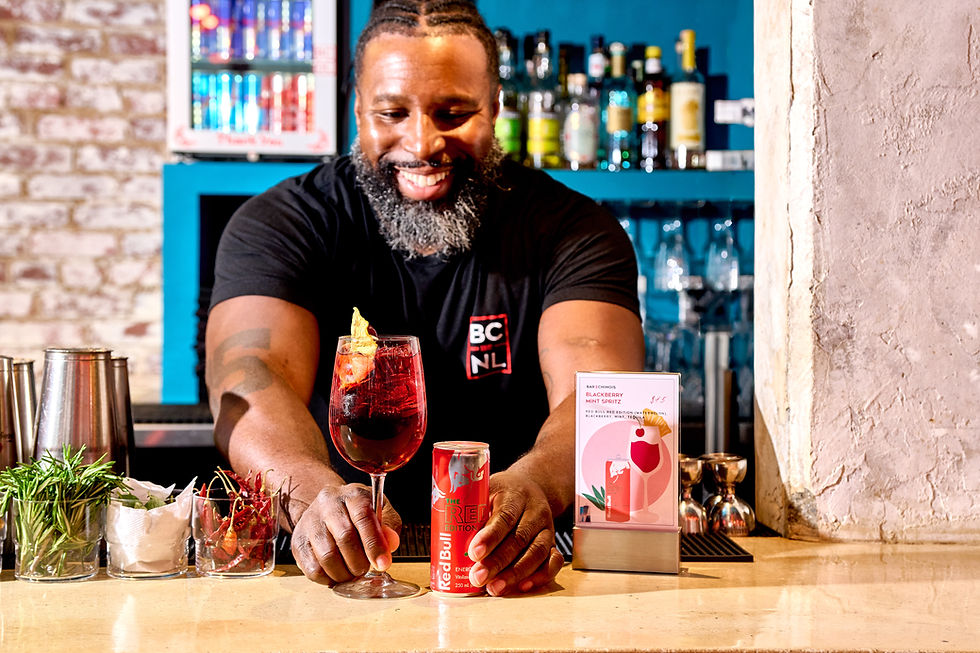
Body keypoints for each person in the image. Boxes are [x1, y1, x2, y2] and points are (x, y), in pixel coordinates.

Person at [205, 0, 644, 596]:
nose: (423, 143)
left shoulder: (574, 230)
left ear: (494, 109)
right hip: (335, 580)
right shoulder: (282, 224)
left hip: (507, 569)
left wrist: (536, 487)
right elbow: (250, 374)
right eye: (392, 112)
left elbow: (602, 392)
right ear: (357, 112)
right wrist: (313, 495)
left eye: (454, 112)